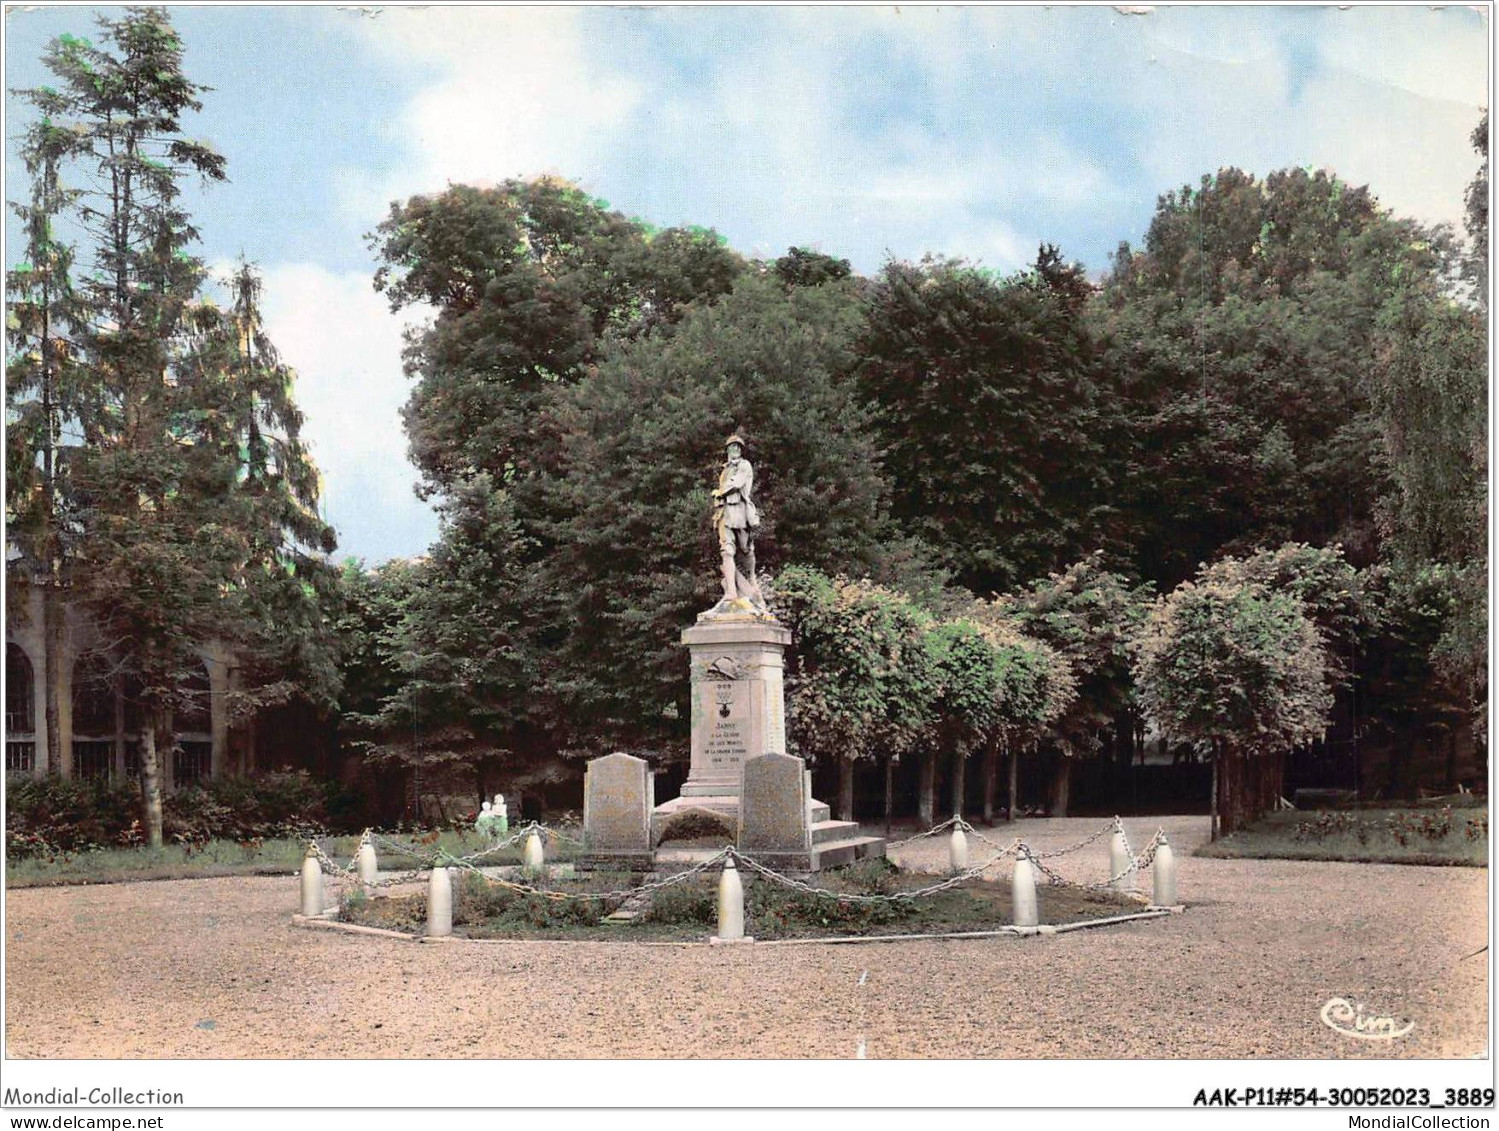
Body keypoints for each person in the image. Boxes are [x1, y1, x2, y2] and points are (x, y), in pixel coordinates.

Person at [712, 434, 764, 607]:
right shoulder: (725, 469)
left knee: (746, 548)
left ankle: (751, 577)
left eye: (737, 447)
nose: (734, 450)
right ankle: (731, 591)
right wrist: (719, 499)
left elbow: (736, 483)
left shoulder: (744, 465)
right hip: (725, 512)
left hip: (740, 511)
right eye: (731, 447)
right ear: (727, 450)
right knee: (726, 550)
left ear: (741, 450)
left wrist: (719, 492)